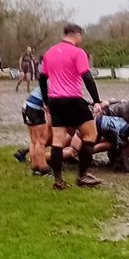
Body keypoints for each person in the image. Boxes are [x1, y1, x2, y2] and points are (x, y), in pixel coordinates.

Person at [39, 24, 103, 189]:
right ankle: (82, 176)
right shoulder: (78, 52)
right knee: (90, 135)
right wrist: (96, 100)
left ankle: (58, 180)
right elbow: (87, 77)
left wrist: (46, 103)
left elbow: (41, 79)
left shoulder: (49, 52)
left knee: (58, 141)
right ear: (77, 34)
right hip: (73, 100)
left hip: (55, 101)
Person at [21, 85, 52, 176]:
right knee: (41, 141)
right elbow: (48, 103)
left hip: (27, 105)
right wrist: (49, 116)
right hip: (35, 108)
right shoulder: (54, 81)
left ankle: (35, 166)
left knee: (34, 140)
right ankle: (43, 168)